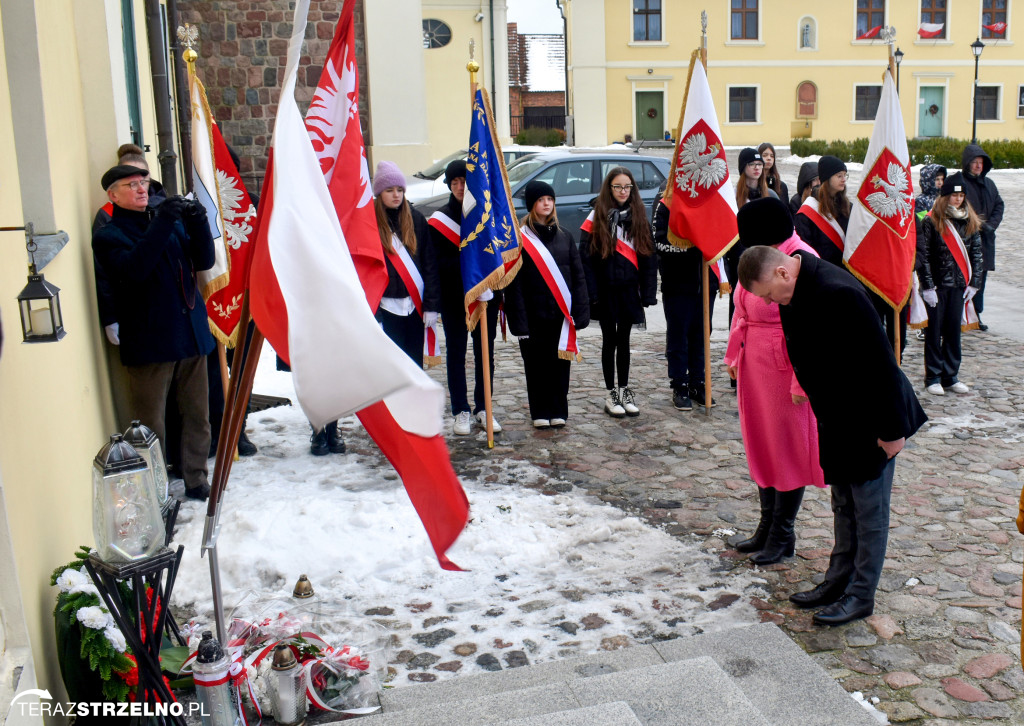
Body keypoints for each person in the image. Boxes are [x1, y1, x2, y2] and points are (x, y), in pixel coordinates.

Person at [738, 245, 926, 626]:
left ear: (781, 274)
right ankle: (837, 580)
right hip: (837, 417)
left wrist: (892, 432)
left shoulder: (839, 292)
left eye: (768, 294)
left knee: (869, 511)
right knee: (843, 504)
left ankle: (861, 595)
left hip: (872, 420)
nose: (768, 302)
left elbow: (880, 364)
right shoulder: (794, 291)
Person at [92, 165, 217, 500]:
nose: (141, 189)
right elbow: (135, 269)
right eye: (130, 185)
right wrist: (163, 221)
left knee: (197, 415)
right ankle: (153, 489)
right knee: (150, 425)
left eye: (143, 182)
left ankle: (196, 476)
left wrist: (198, 220)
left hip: (189, 332)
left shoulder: (168, 223)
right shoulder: (110, 234)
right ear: (113, 195)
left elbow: (204, 260)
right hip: (150, 340)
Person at [725, 199, 826, 565]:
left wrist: (804, 378)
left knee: (787, 447)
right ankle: (766, 525)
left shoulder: (798, 258)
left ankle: (783, 533)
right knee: (762, 443)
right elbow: (741, 307)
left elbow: (813, 326)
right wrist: (734, 352)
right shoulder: (762, 256)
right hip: (756, 361)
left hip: (785, 364)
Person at [423, 160, 503, 436]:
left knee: (485, 352)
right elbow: (435, 264)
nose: (459, 187)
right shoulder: (439, 221)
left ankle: (484, 407)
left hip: (485, 297)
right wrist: (468, 271)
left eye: (464, 182)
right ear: (449, 186)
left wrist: (490, 286)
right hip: (454, 296)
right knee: (456, 353)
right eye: (454, 182)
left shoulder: (486, 216)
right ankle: (461, 410)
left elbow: (498, 255)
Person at [504, 181, 590, 428]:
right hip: (533, 316)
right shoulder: (521, 240)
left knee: (560, 366)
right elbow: (515, 284)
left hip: (560, 317)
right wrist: (518, 321)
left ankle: (558, 410)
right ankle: (539, 411)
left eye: (549, 199)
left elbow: (578, 277)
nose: (546, 203)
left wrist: (581, 311)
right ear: (532, 205)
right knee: (536, 366)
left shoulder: (565, 237)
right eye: (541, 199)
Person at [580, 167, 658, 417]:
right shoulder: (596, 217)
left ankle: (624, 390)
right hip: (604, 291)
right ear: (609, 188)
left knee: (624, 341)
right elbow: (586, 259)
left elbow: (648, 257)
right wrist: (591, 292)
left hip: (628, 290)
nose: (623, 191)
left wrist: (648, 293)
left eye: (627, 187)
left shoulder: (639, 216)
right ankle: (611, 393)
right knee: (609, 341)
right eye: (618, 187)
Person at [652, 184, 720, 410]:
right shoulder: (665, 201)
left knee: (702, 336)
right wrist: (691, 246)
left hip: (704, 283)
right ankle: (679, 385)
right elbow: (659, 243)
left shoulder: (705, 201)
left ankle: (697, 383)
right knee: (679, 337)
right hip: (678, 284)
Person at [917, 173, 983, 396]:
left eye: (961, 195)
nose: (958, 199)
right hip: (937, 287)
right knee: (934, 333)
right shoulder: (931, 221)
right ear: (945, 196)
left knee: (954, 332)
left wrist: (975, 283)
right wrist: (927, 286)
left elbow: (976, 254)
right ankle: (933, 376)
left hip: (959, 287)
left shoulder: (968, 220)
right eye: (954, 195)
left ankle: (950, 375)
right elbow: (923, 255)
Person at [372, 160, 438, 367]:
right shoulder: (370, 222)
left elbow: (429, 265)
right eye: (389, 190)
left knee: (414, 365)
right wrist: (375, 313)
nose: (396, 195)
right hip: (386, 307)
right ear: (379, 193)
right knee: (392, 368)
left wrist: (432, 306)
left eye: (400, 189)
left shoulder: (417, 219)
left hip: (414, 306)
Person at [959, 144, 1004, 331]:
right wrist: (975, 224)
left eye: (981, 163)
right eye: (975, 162)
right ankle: (961, 315)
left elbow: (999, 205)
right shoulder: (960, 182)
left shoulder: (989, 184)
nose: (978, 166)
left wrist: (991, 225)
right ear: (967, 163)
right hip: (966, 239)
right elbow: (958, 206)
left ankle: (976, 314)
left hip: (985, 240)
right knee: (963, 277)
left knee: (979, 279)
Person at [794, 155, 848, 267]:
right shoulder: (808, 211)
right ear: (827, 178)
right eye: (839, 176)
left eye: (845, 175)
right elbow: (805, 248)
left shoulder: (847, 206)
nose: (844, 179)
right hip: (822, 270)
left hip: (845, 271)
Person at [758, 142, 789, 206]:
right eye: (765, 155)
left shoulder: (781, 186)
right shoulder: (754, 184)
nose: (769, 158)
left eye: (772, 156)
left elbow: (785, 210)